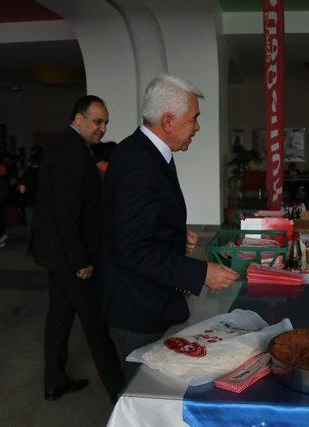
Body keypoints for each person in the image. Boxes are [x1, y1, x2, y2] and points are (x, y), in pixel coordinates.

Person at [102, 74, 239, 376]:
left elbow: (140, 221)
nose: (198, 127)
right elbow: (134, 250)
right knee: (142, 394)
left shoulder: (149, 153)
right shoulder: (138, 164)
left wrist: (176, 234)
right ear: (168, 121)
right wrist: (201, 271)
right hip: (137, 307)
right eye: (194, 119)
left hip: (151, 297)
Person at [32, 95, 124, 403]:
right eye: (98, 121)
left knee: (58, 318)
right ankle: (119, 394)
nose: (102, 128)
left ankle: (54, 381)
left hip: (56, 256)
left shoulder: (67, 146)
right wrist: (80, 259)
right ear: (79, 118)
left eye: (106, 122)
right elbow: (66, 212)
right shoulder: (71, 151)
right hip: (71, 258)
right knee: (96, 325)